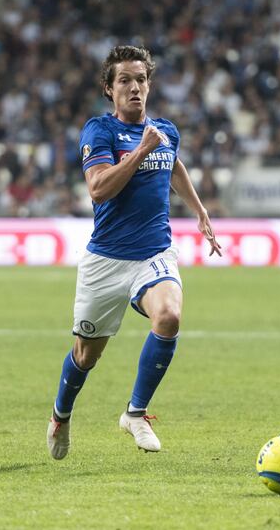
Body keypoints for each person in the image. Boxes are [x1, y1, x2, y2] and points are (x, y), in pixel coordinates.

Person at [46, 45, 222, 459]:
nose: (134, 87)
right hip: (106, 260)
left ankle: (135, 413)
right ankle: (61, 414)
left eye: (141, 79)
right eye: (124, 80)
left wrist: (199, 211)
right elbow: (99, 188)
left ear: (149, 84)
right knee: (86, 356)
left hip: (153, 252)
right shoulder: (99, 132)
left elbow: (173, 163)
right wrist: (141, 151)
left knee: (170, 316)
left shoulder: (164, 130)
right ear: (110, 89)